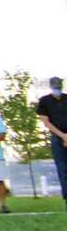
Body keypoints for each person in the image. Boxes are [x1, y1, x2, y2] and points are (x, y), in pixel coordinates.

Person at [35, 76, 67, 210]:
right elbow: (46, 122)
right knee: (63, 170)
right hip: (57, 138)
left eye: (59, 87)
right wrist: (63, 136)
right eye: (55, 87)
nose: (57, 90)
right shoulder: (44, 101)